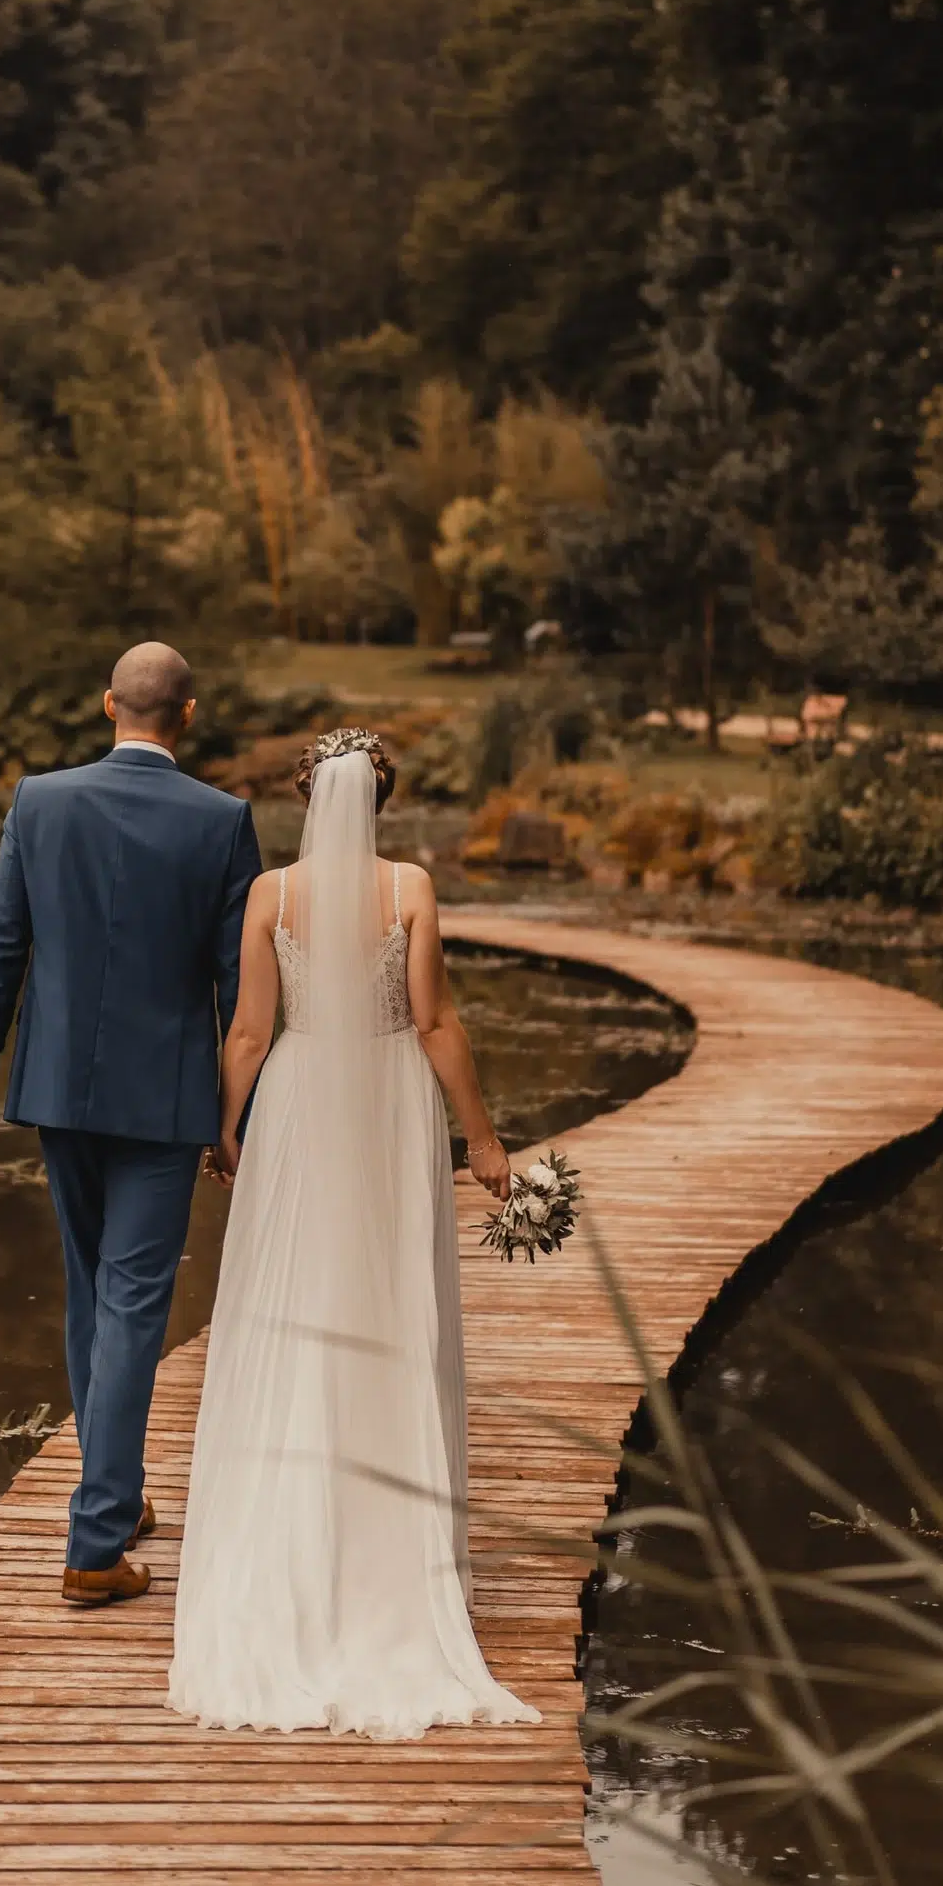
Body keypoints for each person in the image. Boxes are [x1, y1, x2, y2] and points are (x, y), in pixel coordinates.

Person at [167, 727, 538, 1737]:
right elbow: (433, 1023)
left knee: (290, 1306)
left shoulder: (270, 896)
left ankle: (290, 1546)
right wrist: (484, 1135)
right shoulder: (410, 885)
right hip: (385, 1102)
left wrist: (224, 1123)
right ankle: (393, 1551)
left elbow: (248, 1028)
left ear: (305, 798)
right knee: (392, 1307)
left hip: (295, 1100)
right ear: (378, 798)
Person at [0, 641, 262, 1607]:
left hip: (56, 1095)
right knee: (128, 1305)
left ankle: (115, 1507)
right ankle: (95, 1540)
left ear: (106, 706)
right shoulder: (222, 821)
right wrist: (231, 1116)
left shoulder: (38, 802)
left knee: (93, 1296)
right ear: (190, 715)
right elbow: (241, 986)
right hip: (165, 1103)